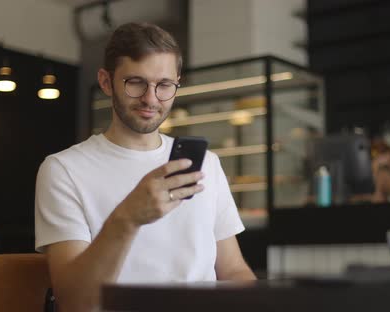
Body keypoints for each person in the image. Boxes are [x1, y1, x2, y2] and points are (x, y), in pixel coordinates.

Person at [35, 22, 256, 312]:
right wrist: (127, 218)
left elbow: (233, 271)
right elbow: (76, 303)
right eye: (135, 82)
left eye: (164, 85)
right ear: (106, 81)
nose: (151, 99)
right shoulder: (63, 170)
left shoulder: (208, 165)